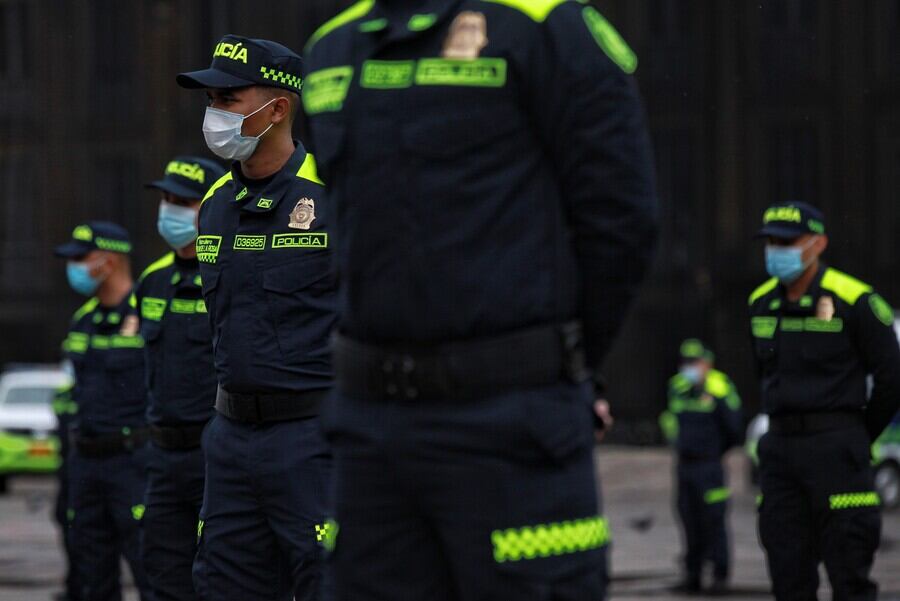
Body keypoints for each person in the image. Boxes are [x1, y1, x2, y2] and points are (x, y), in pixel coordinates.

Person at [303, 1, 658, 598]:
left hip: (510, 425)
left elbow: (621, 222)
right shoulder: (332, 46)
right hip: (370, 439)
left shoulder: (545, 26)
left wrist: (556, 360)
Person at [175, 35, 337, 601]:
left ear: (277, 109)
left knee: (329, 582)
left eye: (229, 98)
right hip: (231, 440)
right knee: (222, 585)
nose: (214, 113)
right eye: (210, 100)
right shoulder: (215, 204)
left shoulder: (335, 194)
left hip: (314, 440)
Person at [749, 201, 900, 600]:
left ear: (818, 244)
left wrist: (855, 434)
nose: (776, 251)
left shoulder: (857, 301)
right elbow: (763, 376)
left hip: (837, 453)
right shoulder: (760, 304)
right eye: (770, 242)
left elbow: (892, 378)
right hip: (781, 455)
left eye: (787, 242)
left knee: (850, 576)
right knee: (788, 576)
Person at [134, 155, 225, 601]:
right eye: (166, 199)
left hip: (214, 455)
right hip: (162, 458)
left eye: (183, 201)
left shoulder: (228, 269)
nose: (170, 210)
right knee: (160, 573)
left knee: (218, 574)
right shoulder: (150, 281)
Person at [55, 222, 153, 600]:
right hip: (84, 463)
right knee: (89, 573)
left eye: (81, 258)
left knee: (150, 567)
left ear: (108, 261)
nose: (74, 267)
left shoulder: (147, 312)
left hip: (133, 462)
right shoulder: (82, 319)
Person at [659, 339, 742, 595]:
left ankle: (720, 575)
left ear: (707, 362)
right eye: (686, 362)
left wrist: (714, 452)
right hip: (685, 466)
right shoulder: (677, 387)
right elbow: (670, 420)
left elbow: (734, 429)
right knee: (688, 519)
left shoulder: (720, 387)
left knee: (714, 520)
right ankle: (692, 575)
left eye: (695, 362)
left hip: (710, 467)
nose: (690, 367)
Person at [50, 368, 80, 601]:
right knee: (66, 523)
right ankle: (74, 587)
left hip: (81, 468)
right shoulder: (67, 394)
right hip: (70, 470)